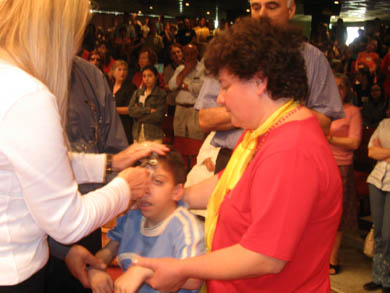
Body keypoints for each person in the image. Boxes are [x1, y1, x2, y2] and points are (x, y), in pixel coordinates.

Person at [135, 17, 342, 292]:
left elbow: (264, 256)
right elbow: (230, 181)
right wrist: (172, 195)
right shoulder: (264, 128)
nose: (219, 98)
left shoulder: (292, 151)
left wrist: (183, 267)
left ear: (259, 82)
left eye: (225, 85)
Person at [0, 0, 165, 291]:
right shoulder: (27, 95)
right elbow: (67, 220)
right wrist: (126, 186)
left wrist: (111, 163)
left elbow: (38, 165)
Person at [195, 0, 344, 172]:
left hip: (288, 163)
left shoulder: (313, 59)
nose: (262, 15)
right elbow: (205, 120)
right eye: (256, 7)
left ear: (291, 10)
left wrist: (269, 109)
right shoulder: (230, 52)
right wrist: (258, 108)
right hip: (232, 160)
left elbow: (324, 124)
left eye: (272, 7)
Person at [44, 56, 131, 293]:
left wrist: (127, 186)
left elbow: (113, 151)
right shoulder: (18, 78)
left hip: (87, 217)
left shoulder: (89, 76)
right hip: (33, 242)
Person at [87, 151, 205, 293]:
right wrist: (96, 269)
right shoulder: (132, 217)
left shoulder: (185, 226)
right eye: (143, 181)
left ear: (177, 191)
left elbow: (193, 279)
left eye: (157, 182)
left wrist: (144, 271)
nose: (146, 189)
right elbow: (109, 249)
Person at [327, 73, 362, 275]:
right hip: (321, 163)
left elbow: (354, 143)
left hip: (341, 166)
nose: (338, 90)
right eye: (335, 86)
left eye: (341, 86)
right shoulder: (324, 111)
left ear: (347, 90)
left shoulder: (352, 111)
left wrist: (329, 138)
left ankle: (334, 257)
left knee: (338, 214)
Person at [363, 119, 390, 293]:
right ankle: (378, 277)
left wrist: (384, 151)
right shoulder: (385, 124)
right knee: (378, 232)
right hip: (377, 181)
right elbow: (372, 152)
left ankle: (387, 280)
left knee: (388, 235)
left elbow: (378, 151)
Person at [169, 44, 205, 140]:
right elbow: (172, 86)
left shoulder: (203, 69)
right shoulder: (180, 69)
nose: (189, 57)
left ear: (197, 53)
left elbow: (200, 89)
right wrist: (186, 70)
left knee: (195, 140)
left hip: (194, 110)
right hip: (180, 109)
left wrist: (183, 85)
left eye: (192, 53)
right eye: (187, 54)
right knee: (179, 140)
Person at [128, 65, 167, 143]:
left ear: (156, 77)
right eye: (144, 76)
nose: (147, 79)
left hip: (154, 135)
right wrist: (148, 110)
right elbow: (131, 110)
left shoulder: (161, 94)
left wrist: (138, 118)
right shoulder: (137, 93)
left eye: (150, 76)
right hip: (137, 134)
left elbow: (158, 116)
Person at [110, 60, 137, 144]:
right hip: (111, 125)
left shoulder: (130, 87)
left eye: (125, 70)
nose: (122, 72)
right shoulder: (109, 86)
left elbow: (131, 109)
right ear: (113, 72)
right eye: (119, 69)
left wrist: (112, 109)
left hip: (125, 126)